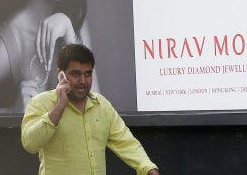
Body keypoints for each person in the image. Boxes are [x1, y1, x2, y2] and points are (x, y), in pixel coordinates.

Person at [21, 44, 160, 175]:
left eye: (87, 74)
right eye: (76, 74)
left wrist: (148, 168)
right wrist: (60, 105)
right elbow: (30, 143)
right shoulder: (41, 102)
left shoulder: (102, 105)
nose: (83, 81)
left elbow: (125, 142)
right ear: (60, 74)